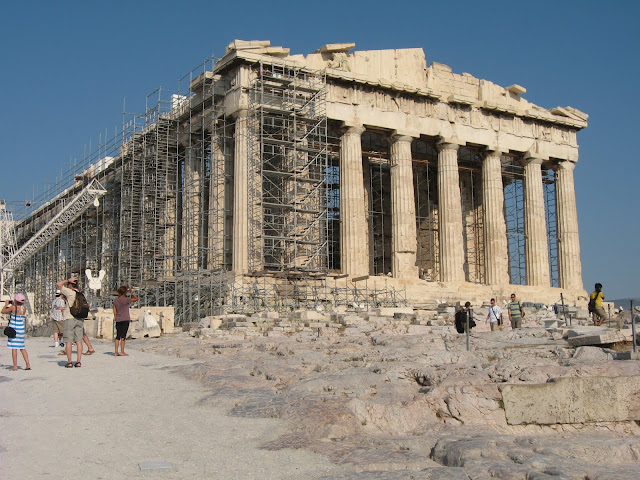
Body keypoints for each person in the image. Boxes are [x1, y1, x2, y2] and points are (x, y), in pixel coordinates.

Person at [56, 276, 93, 368]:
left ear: (70, 285)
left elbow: (58, 284)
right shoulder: (81, 294)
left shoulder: (70, 292)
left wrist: (68, 280)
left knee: (68, 341)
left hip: (70, 318)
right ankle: (78, 361)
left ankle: (69, 362)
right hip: (79, 319)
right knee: (79, 341)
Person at [2, 294, 31, 371]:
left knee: (14, 348)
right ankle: (28, 364)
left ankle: (15, 366)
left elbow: (3, 311)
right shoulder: (24, 308)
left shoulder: (13, 307)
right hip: (21, 329)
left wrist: (6, 305)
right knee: (22, 347)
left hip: (14, 329)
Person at [113, 286, 138, 356]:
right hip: (125, 319)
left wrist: (116, 317)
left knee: (117, 336)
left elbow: (114, 310)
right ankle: (122, 351)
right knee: (123, 336)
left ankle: (115, 352)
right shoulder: (126, 299)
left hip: (118, 319)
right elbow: (136, 299)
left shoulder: (115, 300)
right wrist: (131, 292)